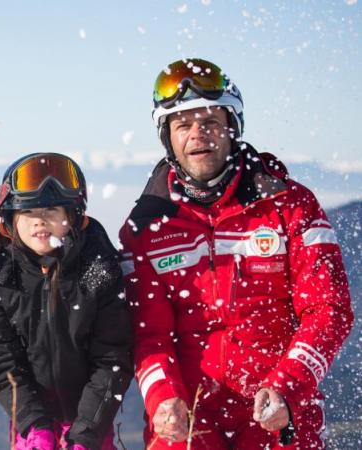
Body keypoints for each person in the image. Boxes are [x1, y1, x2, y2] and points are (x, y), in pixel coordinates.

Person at [119, 58, 354, 449]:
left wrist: (289, 385)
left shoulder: (289, 205)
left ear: (232, 128)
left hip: (278, 406)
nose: (198, 134)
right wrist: (163, 397)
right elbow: (149, 334)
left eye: (210, 122)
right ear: (167, 137)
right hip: (189, 413)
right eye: (183, 125)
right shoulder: (146, 228)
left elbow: (329, 310)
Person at [0, 153, 133, 450]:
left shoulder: (98, 268)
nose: (40, 220)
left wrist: (85, 432)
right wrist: (33, 424)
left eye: (51, 209)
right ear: (10, 219)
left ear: (72, 216)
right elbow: (2, 358)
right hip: (30, 417)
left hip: (90, 417)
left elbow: (111, 359)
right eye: (27, 211)